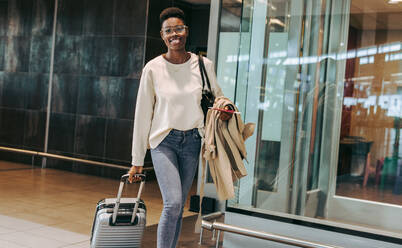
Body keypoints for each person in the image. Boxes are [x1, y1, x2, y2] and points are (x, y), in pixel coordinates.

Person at [127, 7, 228, 248]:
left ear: (187, 32)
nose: (175, 34)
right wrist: (137, 159)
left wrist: (224, 111)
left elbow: (219, 98)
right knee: (172, 203)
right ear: (162, 36)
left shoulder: (204, 65)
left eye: (179, 29)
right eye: (169, 31)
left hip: (193, 141)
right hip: (164, 142)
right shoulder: (153, 68)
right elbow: (142, 114)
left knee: (179, 205)